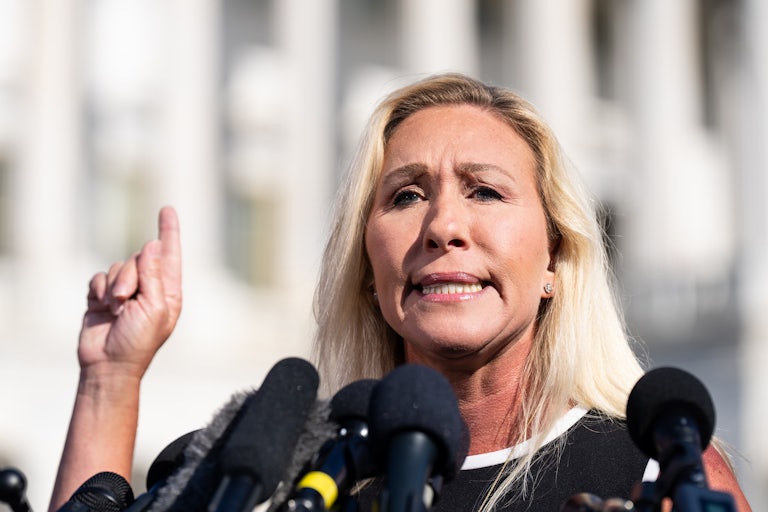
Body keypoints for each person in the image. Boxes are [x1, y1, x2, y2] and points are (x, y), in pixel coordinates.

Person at [49, 73, 751, 512]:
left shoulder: (662, 466)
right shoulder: (295, 473)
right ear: (367, 270)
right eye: (406, 195)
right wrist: (111, 380)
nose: (444, 225)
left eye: (485, 190)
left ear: (554, 260)